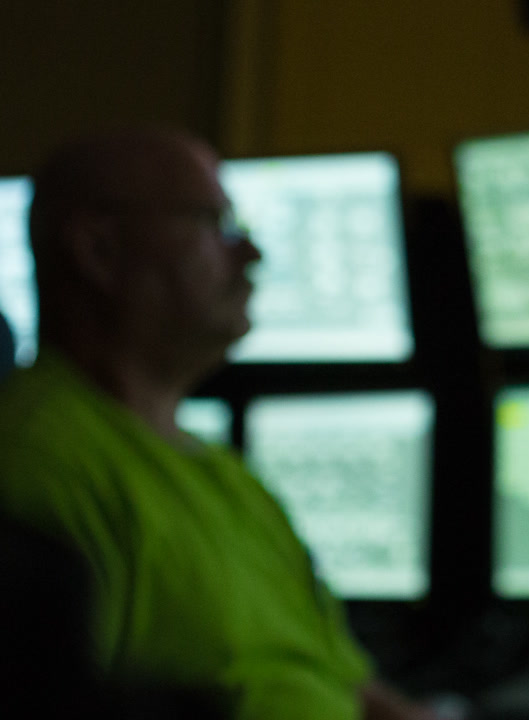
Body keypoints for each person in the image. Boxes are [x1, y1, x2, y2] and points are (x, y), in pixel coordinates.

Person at [0, 128, 436, 720]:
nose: (252, 255)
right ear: (98, 250)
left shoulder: (227, 479)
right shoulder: (40, 461)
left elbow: (344, 685)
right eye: (215, 224)